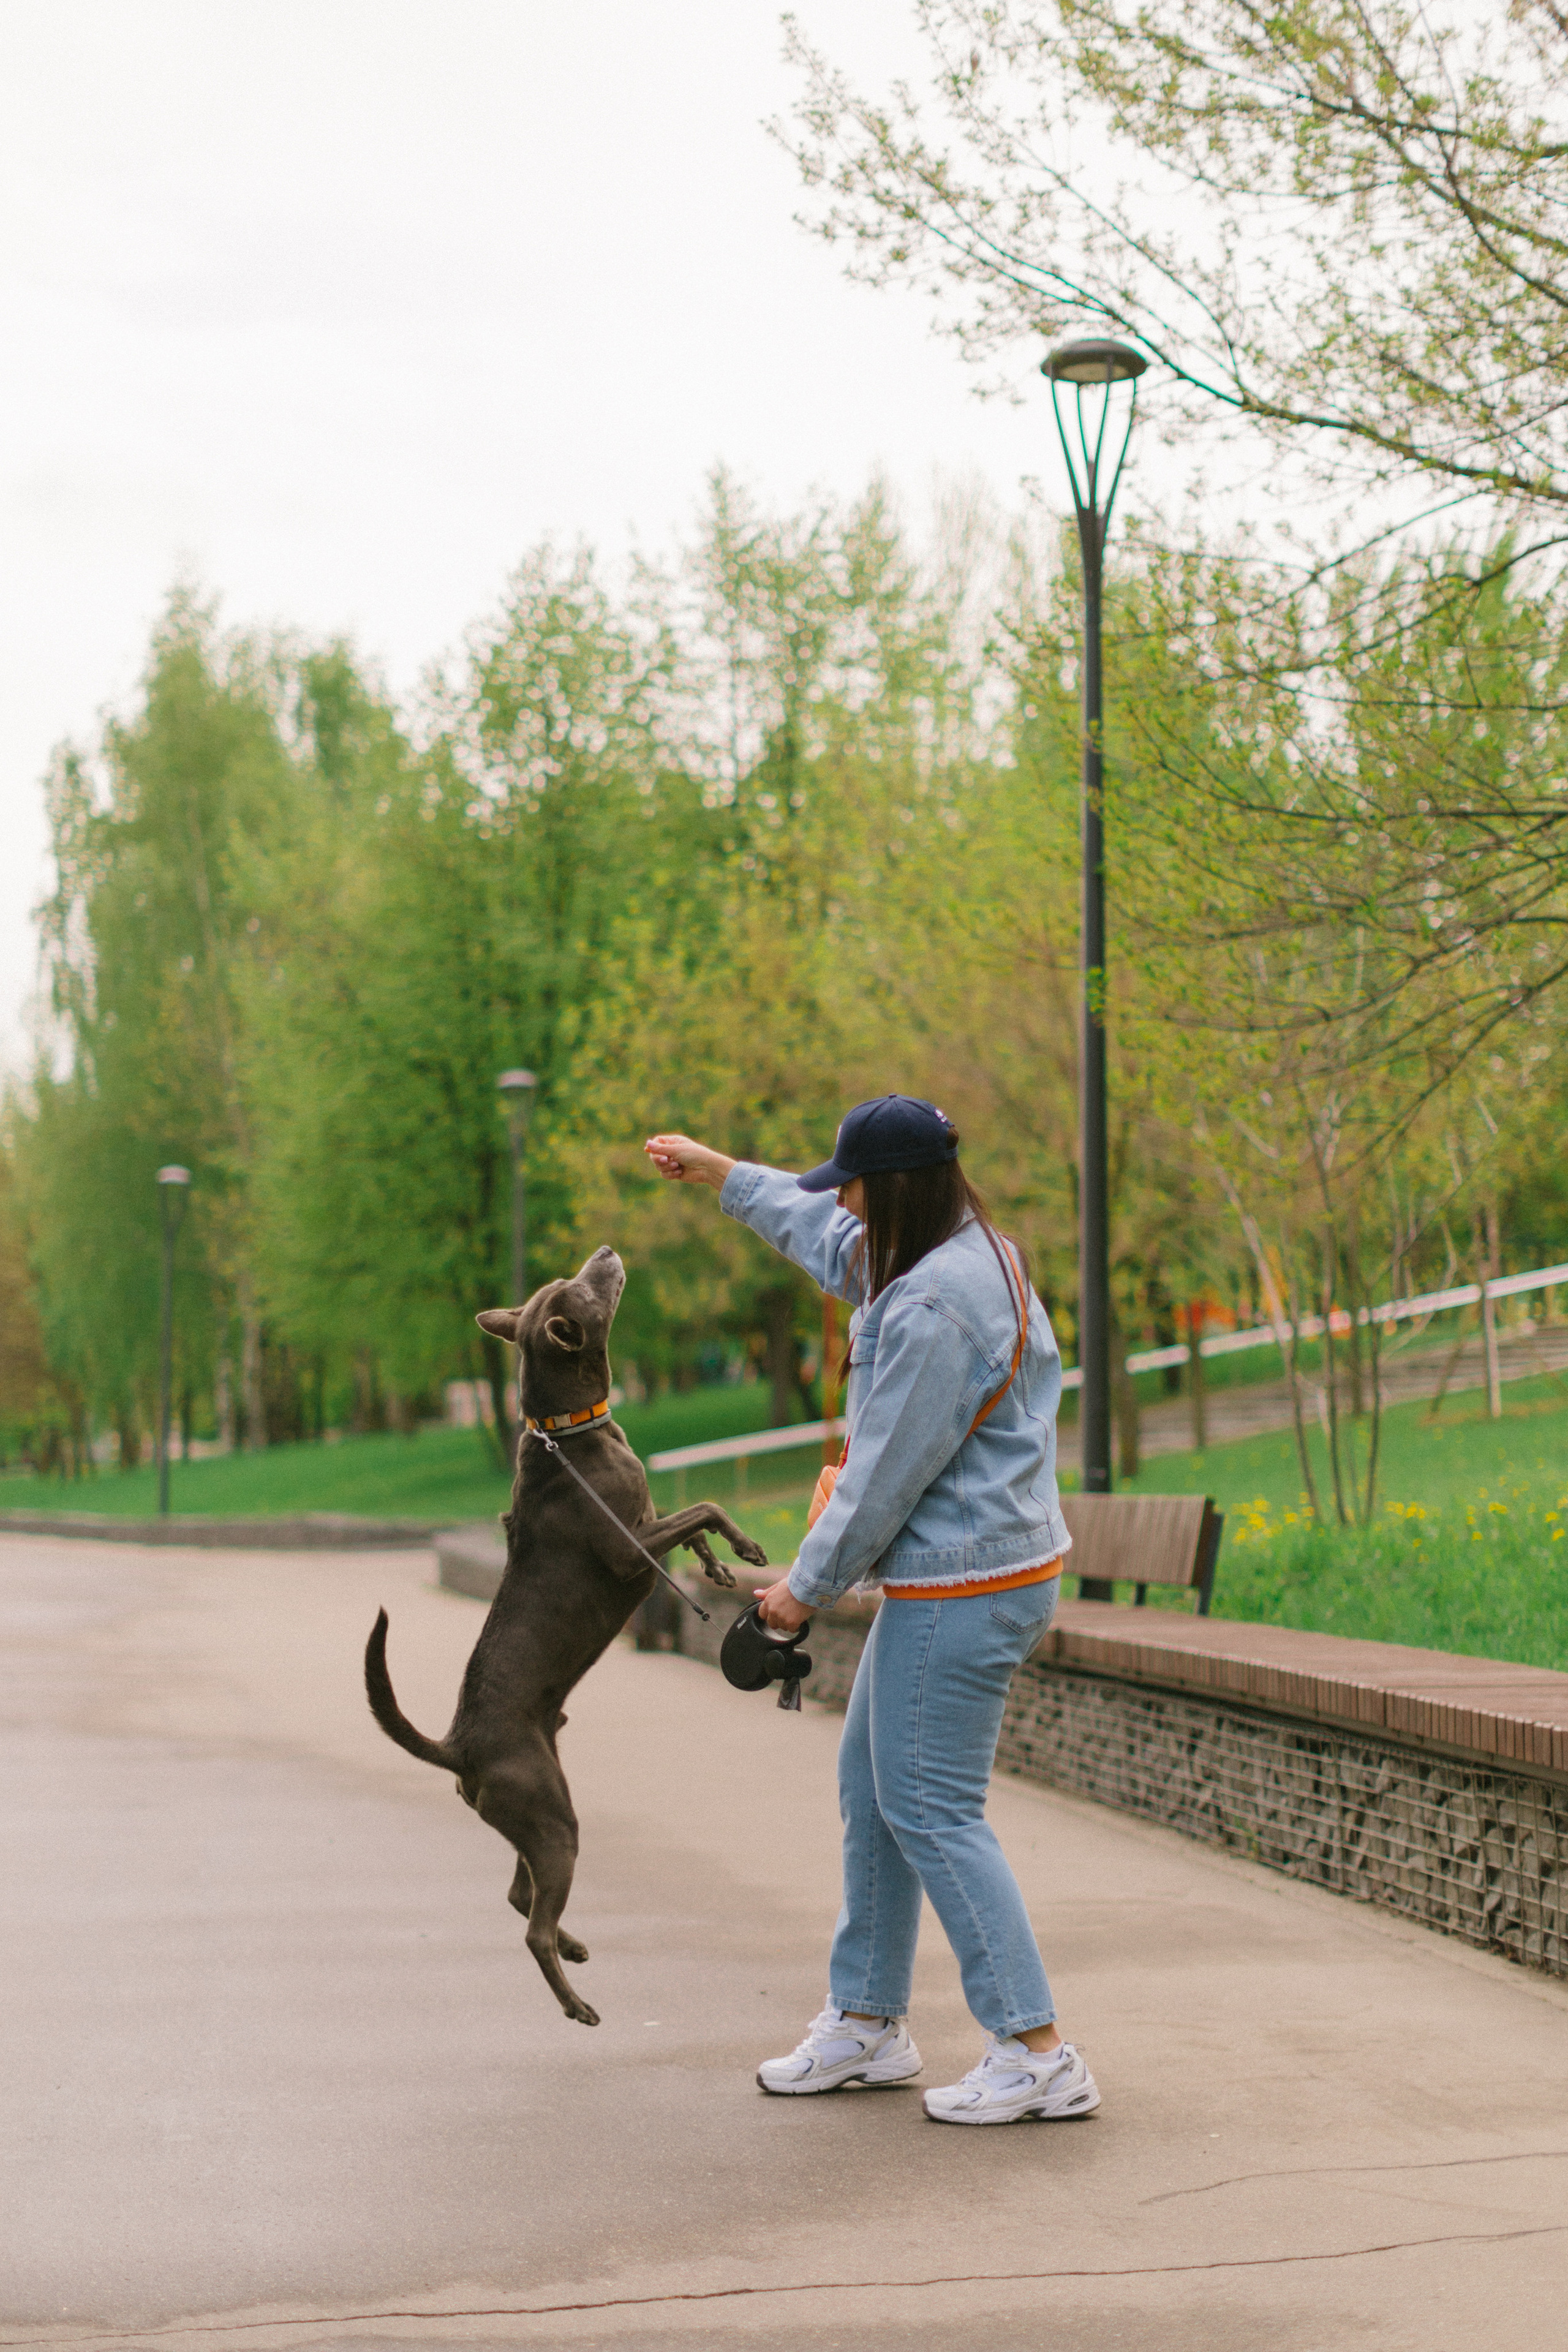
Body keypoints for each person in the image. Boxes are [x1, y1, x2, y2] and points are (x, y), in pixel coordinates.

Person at [644, 1095, 1100, 2127]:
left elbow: (884, 1475)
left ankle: (1037, 2054)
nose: (840, 1199)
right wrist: (725, 1174)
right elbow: (827, 1236)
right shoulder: (962, 1251)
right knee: (875, 1791)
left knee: (932, 1807)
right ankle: (870, 2023)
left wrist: (798, 1595)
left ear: (893, 1189)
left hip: (969, 1587)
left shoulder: (935, 1308)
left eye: (851, 1181)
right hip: (974, 1573)